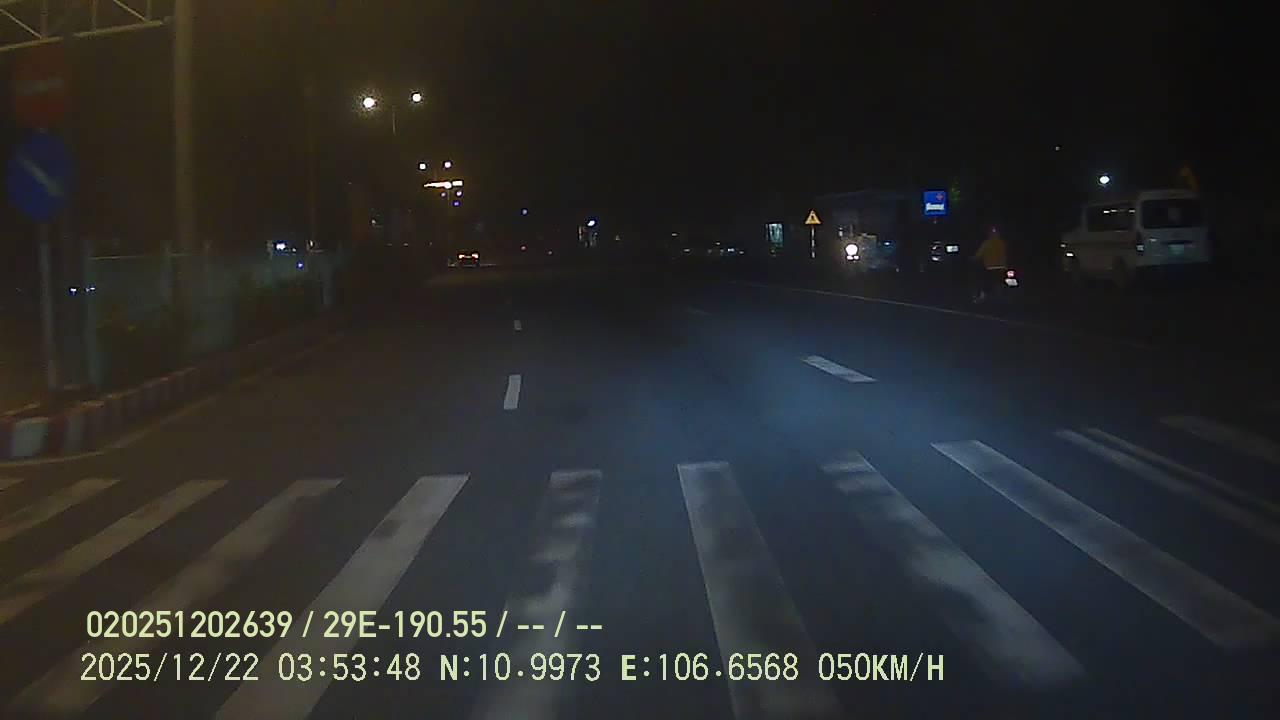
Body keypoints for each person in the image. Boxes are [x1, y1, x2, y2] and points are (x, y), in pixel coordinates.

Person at [969, 225, 1008, 302]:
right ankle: (1001, 296)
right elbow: (1006, 254)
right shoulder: (1002, 243)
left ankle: (982, 297)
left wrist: (972, 258)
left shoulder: (986, 243)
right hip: (1002, 267)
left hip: (990, 267)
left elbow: (979, 254)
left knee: (984, 282)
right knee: (1001, 281)